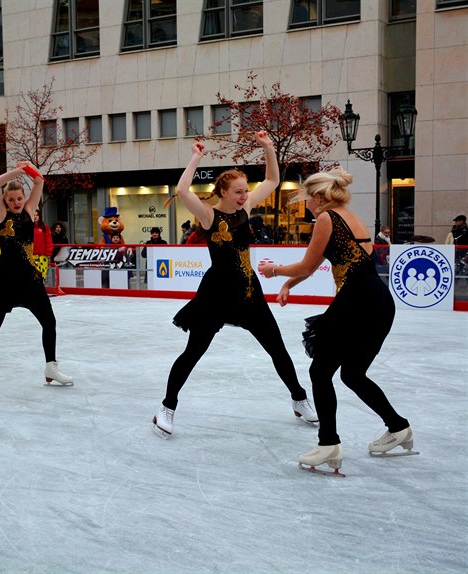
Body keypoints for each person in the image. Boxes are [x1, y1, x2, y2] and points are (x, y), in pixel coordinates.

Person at [152, 133, 317, 439]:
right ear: (224, 192)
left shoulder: (246, 209)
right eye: (238, 191)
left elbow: (272, 180)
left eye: (245, 191)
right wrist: (196, 157)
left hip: (248, 293)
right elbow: (182, 190)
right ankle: (167, 407)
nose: (244, 195)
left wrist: (269, 147)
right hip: (215, 296)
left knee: (277, 348)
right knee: (192, 353)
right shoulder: (207, 215)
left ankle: (299, 398)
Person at [259, 168, 414, 475]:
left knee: (320, 370)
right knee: (353, 375)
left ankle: (328, 444)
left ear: (319, 197)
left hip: (357, 303)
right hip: (378, 303)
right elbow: (316, 265)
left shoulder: (327, 219)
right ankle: (398, 427)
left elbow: (306, 263)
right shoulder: (349, 217)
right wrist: (290, 285)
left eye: (306, 198)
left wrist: (274, 271)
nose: (305, 204)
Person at [0, 162, 73, 393]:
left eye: (19, 198)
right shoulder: (1, 215)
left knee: (49, 321)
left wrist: (30, 168)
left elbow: (40, 182)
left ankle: (51, 366)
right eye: (11, 199)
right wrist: (19, 172)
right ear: (5, 201)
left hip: (29, 277)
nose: (16, 202)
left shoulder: (29, 211)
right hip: (3, 279)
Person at [33, 208, 53, 280]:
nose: (35, 217)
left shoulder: (45, 227)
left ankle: (41, 289)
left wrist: (48, 252)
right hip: (32, 256)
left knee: (43, 275)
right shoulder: (28, 228)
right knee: (33, 275)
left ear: (40, 216)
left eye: (37, 215)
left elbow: (49, 240)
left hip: (43, 256)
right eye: (34, 215)